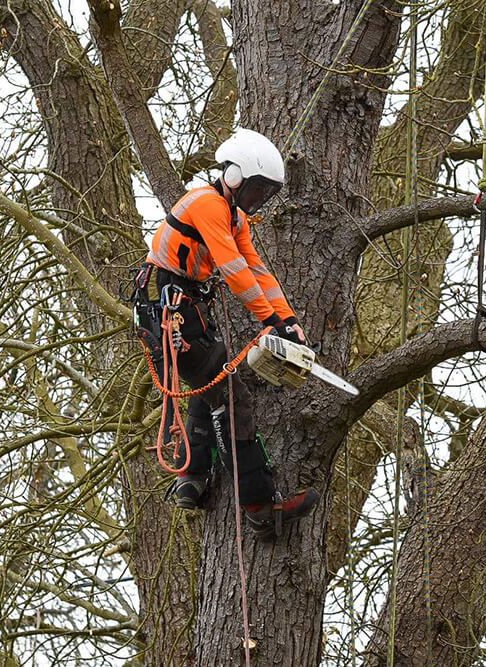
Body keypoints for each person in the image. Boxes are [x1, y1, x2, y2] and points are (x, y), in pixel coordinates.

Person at [134, 128, 320, 539]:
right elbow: (233, 269)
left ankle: (192, 477)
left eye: (263, 196)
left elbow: (257, 269)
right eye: (255, 192)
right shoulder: (207, 205)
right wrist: (267, 320)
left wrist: (287, 320)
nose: (256, 203)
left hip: (187, 307)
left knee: (210, 384)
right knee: (229, 394)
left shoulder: (234, 216)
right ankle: (258, 503)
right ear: (234, 176)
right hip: (170, 310)